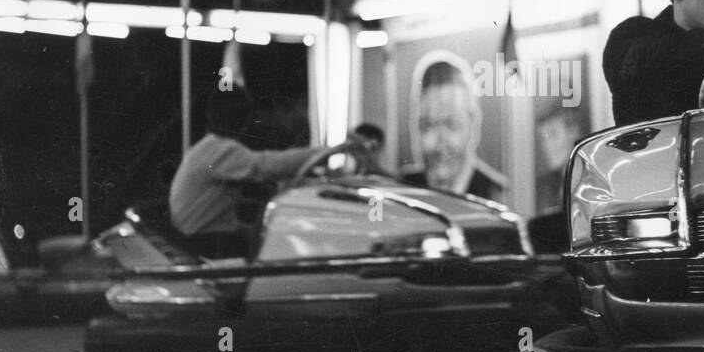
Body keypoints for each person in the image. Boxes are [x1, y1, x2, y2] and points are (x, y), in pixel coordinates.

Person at [169, 89, 362, 259]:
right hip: (204, 242)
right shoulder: (219, 150)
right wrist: (327, 151)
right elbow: (269, 166)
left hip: (197, 237)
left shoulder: (206, 148)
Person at [400, 54, 507, 199]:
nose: (440, 143)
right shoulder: (401, 190)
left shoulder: (499, 196)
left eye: (452, 124)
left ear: (472, 125)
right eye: (428, 126)